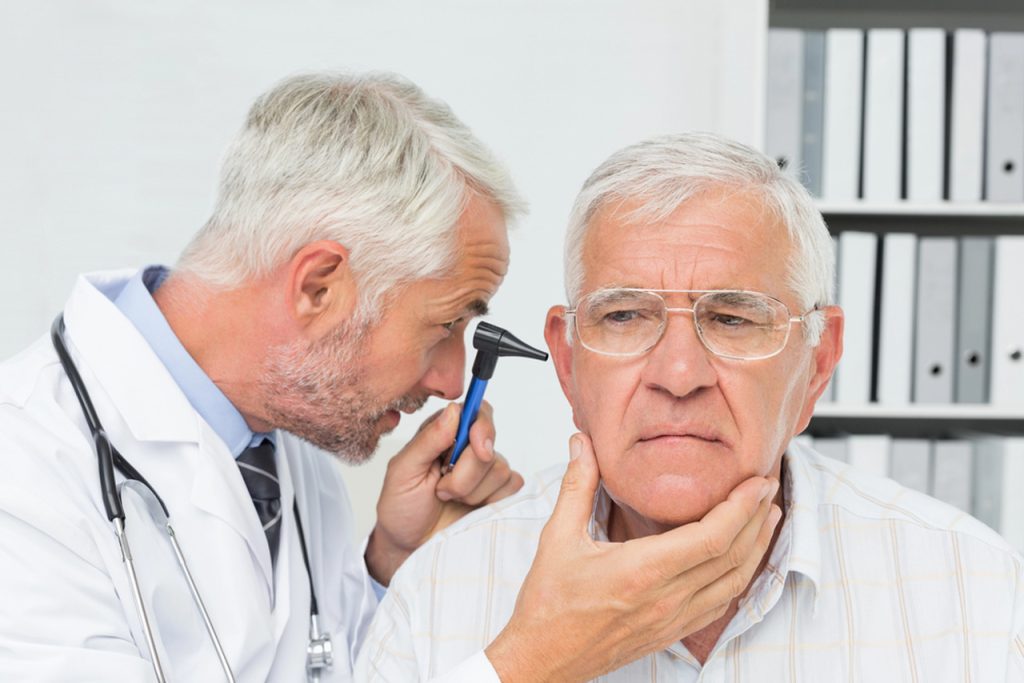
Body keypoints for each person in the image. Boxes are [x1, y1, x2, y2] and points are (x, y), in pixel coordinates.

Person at [0, 77, 778, 682]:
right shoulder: (26, 478)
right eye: (445, 325)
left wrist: (387, 564)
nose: (449, 381)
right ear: (317, 287)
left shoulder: (281, 434)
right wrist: (534, 661)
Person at [356, 133, 1024, 682]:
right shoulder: (439, 590)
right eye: (624, 314)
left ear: (817, 363)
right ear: (567, 361)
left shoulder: (974, 592)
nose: (679, 375)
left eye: (735, 318)